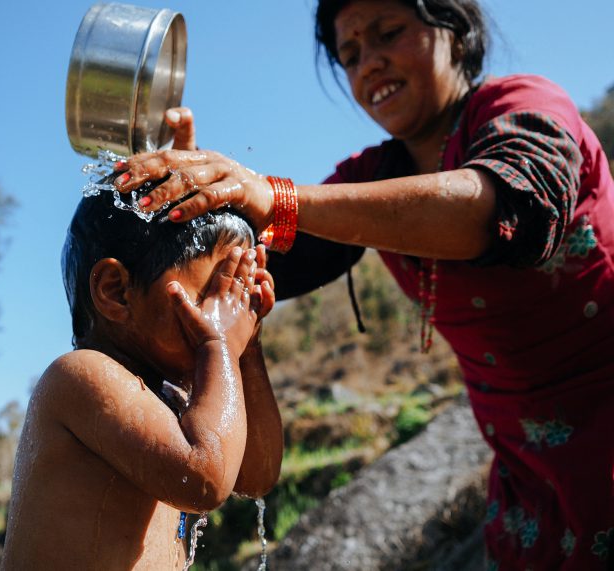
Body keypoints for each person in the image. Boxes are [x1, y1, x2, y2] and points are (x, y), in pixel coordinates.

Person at [112, 0, 614, 568]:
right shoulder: (374, 178)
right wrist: (192, 212)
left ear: (457, 32)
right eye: (350, 55)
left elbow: (508, 209)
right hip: (531, 481)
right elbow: (252, 266)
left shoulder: (524, 104)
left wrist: (278, 197)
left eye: (389, 34)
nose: (369, 64)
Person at [0, 182, 283, 569]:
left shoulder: (175, 402)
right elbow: (205, 478)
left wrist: (246, 349)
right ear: (116, 291)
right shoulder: (82, 376)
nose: (224, 315)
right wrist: (218, 344)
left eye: (234, 297)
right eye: (211, 299)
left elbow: (255, 475)